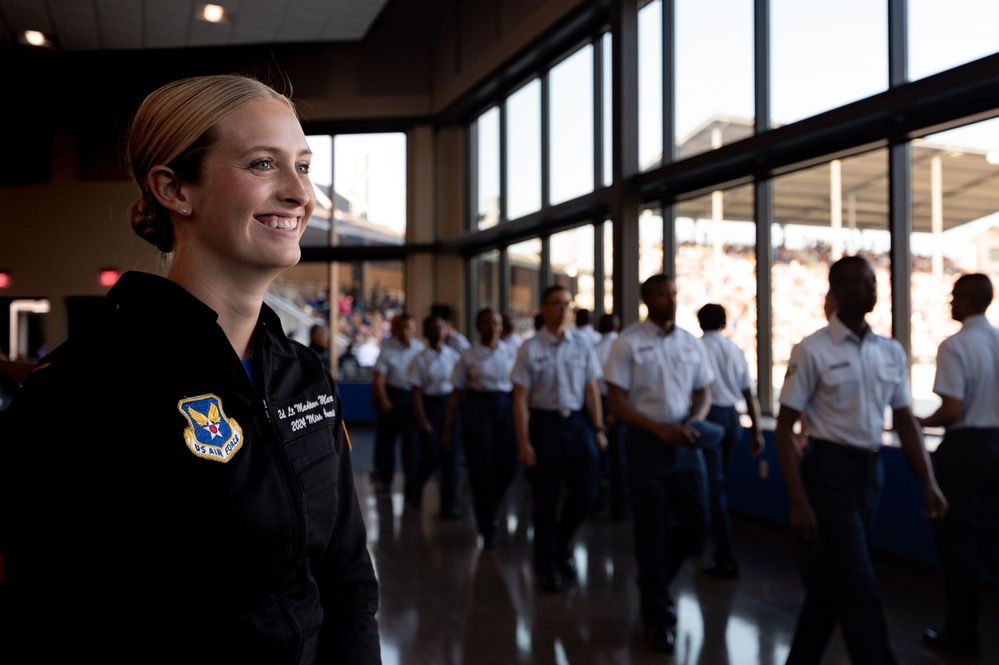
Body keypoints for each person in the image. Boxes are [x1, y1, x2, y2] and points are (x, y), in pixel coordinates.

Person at [0, 74, 381, 662]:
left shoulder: (304, 376)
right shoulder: (81, 393)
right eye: (262, 164)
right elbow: (51, 623)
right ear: (175, 189)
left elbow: (347, 576)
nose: (299, 193)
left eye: (303, 166)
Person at [773, 255, 946, 665]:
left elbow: (905, 423)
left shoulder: (890, 352)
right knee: (858, 580)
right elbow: (783, 430)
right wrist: (798, 500)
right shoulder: (812, 350)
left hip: (870, 473)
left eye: (872, 282)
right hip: (827, 471)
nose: (868, 290)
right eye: (856, 283)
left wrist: (929, 481)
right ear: (833, 292)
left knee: (831, 587)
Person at [604, 274, 722, 654]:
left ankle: (653, 581)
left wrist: (693, 420)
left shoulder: (690, 342)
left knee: (697, 521)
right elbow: (617, 403)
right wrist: (659, 431)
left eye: (672, 293)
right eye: (661, 294)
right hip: (646, 442)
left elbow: (704, 390)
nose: (669, 299)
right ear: (646, 299)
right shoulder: (629, 343)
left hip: (685, 439)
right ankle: (656, 617)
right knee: (651, 530)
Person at [916, 273, 999, 660]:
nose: (950, 303)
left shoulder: (955, 345)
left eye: (953, 297)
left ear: (965, 301)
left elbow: (953, 410)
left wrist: (917, 423)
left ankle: (961, 635)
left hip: (967, 451)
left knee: (958, 548)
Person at [511, 285, 608, 592]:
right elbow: (520, 400)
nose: (564, 309)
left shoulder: (582, 344)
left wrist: (598, 428)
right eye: (557, 304)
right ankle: (547, 566)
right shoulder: (531, 348)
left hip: (578, 424)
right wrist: (524, 441)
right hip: (545, 426)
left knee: (587, 492)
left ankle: (560, 544)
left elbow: (591, 390)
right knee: (545, 500)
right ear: (544, 307)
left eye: (567, 304)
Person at [696, 303, 765, 578]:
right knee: (719, 483)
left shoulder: (695, 347)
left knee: (711, 487)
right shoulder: (735, 350)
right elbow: (749, 394)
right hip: (732, 419)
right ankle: (711, 545)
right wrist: (757, 431)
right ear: (724, 323)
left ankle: (724, 554)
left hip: (707, 417)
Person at [443, 308, 518, 549]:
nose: (492, 327)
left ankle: (490, 505)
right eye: (487, 323)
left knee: (508, 466)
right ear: (478, 326)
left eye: (496, 323)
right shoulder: (468, 355)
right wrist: (447, 429)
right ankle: (487, 527)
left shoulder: (512, 351)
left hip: (506, 406)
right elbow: (455, 394)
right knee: (481, 468)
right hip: (478, 408)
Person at [408, 315, 462, 517]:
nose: (438, 332)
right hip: (430, 406)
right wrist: (422, 420)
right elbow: (415, 391)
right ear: (426, 332)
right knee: (431, 457)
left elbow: (458, 386)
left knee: (451, 458)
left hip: (450, 404)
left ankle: (449, 504)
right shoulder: (421, 358)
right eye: (433, 328)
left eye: (441, 327)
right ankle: (416, 488)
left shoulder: (452, 355)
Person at [371, 313, 425, 499]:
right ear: (396, 329)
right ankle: (386, 480)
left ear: (414, 329)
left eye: (409, 327)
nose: (405, 331)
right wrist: (384, 400)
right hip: (392, 395)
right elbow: (379, 378)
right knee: (387, 441)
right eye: (402, 327)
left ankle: (411, 484)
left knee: (411, 445)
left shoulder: (420, 348)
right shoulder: (388, 348)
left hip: (412, 397)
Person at [594, 312, 627, 519]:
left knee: (598, 455)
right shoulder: (622, 346)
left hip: (599, 402)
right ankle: (619, 507)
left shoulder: (595, 348)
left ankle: (597, 502)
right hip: (618, 404)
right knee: (619, 457)